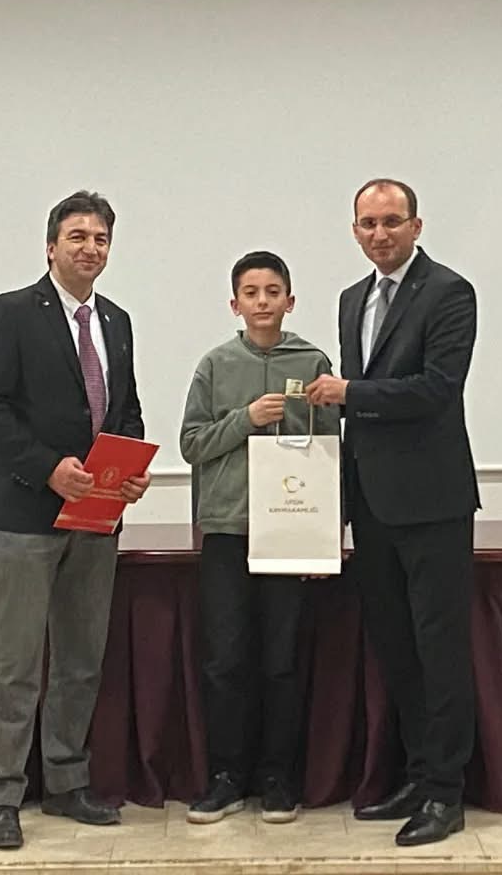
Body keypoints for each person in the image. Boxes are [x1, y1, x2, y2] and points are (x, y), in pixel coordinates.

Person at [0, 190, 152, 851]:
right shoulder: (13, 312)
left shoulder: (117, 320)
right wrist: (47, 469)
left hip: (97, 515)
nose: (89, 248)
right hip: (26, 512)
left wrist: (131, 466)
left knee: (79, 659)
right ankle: (1, 795)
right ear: (51, 247)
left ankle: (68, 783)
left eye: (100, 238)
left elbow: (126, 409)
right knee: (15, 662)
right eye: (77, 236)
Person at [305, 178, 479, 847]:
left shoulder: (449, 292)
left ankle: (446, 793)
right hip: (372, 502)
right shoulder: (352, 298)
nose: (379, 234)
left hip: (432, 501)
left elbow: (437, 389)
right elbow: (361, 404)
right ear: (355, 230)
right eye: (368, 223)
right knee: (397, 649)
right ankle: (416, 776)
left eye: (391, 221)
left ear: (416, 226)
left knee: (439, 649)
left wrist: (350, 392)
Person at [178, 250, 339, 825]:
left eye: (273, 292)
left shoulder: (313, 361)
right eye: (251, 293)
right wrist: (245, 419)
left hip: (291, 531)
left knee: (281, 659)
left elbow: (332, 451)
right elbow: (191, 444)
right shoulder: (215, 364)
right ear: (235, 304)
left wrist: (327, 536)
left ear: (290, 301)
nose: (262, 302)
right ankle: (226, 777)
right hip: (228, 530)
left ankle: (278, 777)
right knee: (225, 659)